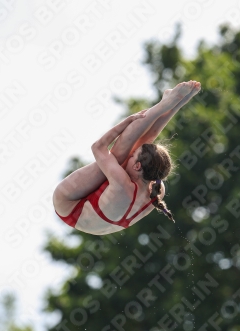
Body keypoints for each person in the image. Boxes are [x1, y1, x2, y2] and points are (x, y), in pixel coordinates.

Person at [53, 80, 201, 235]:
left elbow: (98, 147)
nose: (131, 155)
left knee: (118, 155)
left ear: (137, 166)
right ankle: (172, 104)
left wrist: (127, 121)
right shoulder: (155, 191)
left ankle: (168, 105)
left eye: (134, 158)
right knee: (139, 146)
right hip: (97, 220)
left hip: (69, 204)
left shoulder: (129, 186)